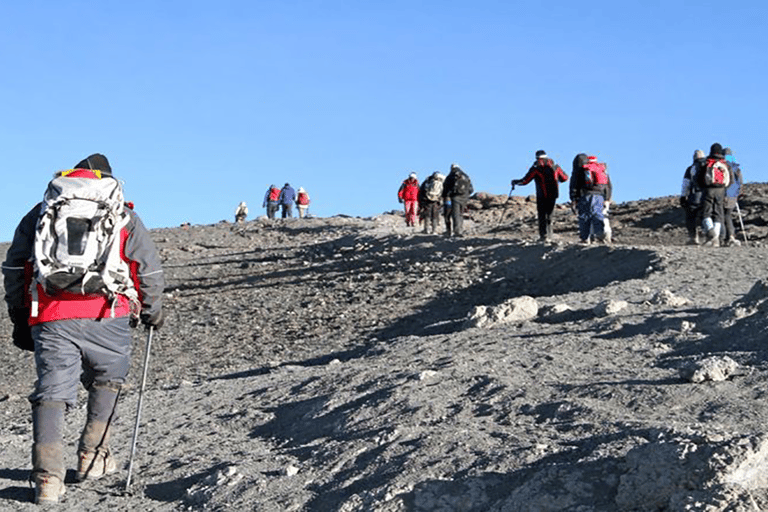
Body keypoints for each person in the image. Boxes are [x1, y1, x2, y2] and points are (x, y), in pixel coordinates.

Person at [2, 154, 165, 504]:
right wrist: (152, 311)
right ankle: (92, 458)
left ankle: (47, 479)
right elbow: (146, 267)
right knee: (107, 379)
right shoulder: (122, 212)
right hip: (109, 313)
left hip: (52, 315)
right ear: (106, 178)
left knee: (52, 391)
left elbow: (15, 266)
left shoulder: (43, 210)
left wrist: (19, 315)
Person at [512, 150, 569, 241]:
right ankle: (550, 235)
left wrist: (515, 182)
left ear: (537, 157)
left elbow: (525, 181)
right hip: (553, 194)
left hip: (541, 195)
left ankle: (543, 236)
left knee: (542, 215)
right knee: (549, 215)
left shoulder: (536, 168)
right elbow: (565, 178)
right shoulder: (555, 166)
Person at [569, 154, 612, 244]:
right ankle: (600, 235)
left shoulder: (580, 170)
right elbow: (608, 186)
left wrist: (573, 198)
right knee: (598, 214)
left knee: (585, 216)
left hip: (586, 195)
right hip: (600, 196)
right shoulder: (602, 169)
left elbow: (574, 185)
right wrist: (607, 198)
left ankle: (585, 238)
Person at [697, 143, 734, 247]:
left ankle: (710, 231)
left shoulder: (706, 162)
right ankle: (716, 239)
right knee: (719, 213)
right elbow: (731, 179)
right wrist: (725, 188)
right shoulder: (725, 163)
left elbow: (699, 178)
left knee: (706, 212)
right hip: (721, 190)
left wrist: (703, 187)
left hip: (708, 189)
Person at [680, 150, 706, 245]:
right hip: (708, 195)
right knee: (706, 215)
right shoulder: (709, 166)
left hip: (695, 195)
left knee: (691, 216)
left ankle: (693, 237)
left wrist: (683, 196)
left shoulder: (691, 169)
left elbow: (685, 184)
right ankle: (710, 236)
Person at [442, 163, 474, 237]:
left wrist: (446, 196)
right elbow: (471, 189)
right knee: (461, 213)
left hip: (455, 197)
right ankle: (460, 229)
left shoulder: (450, 176)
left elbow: (446, 188)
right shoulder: (466, 176)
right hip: (464, 197)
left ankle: (457, 231)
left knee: (455, 214)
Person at [722, 147, 744, 246]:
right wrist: (738, 194)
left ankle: (728, 236)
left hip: (723, 193)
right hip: (733, 195)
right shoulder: (737, 168)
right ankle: (730, 236)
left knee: (723, 216)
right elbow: (740, 182)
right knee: (728, 215)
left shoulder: (722, 166)